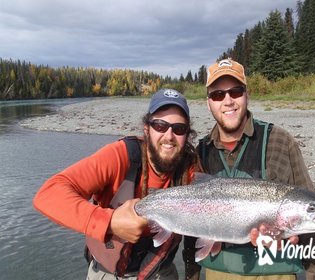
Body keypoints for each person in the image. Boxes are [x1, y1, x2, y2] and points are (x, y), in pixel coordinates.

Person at [183, 58, 315, 280]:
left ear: (247, 95)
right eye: (218, 94)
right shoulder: (200, 152)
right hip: (218, 272)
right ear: (209, 103)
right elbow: (190, 227)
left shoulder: (280, 141)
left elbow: (314, 230)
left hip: (276, 272)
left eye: (236, 91)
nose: (228, 101)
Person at [33, 88, 201, 280]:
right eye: (160, 126)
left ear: (187, 135)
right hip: (108, 273)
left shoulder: (191, 170)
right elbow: (48, 193)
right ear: (147, 129)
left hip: (162, 272)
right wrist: (109, 222)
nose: (169, 136)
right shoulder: (120, 157)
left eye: (179, 129)